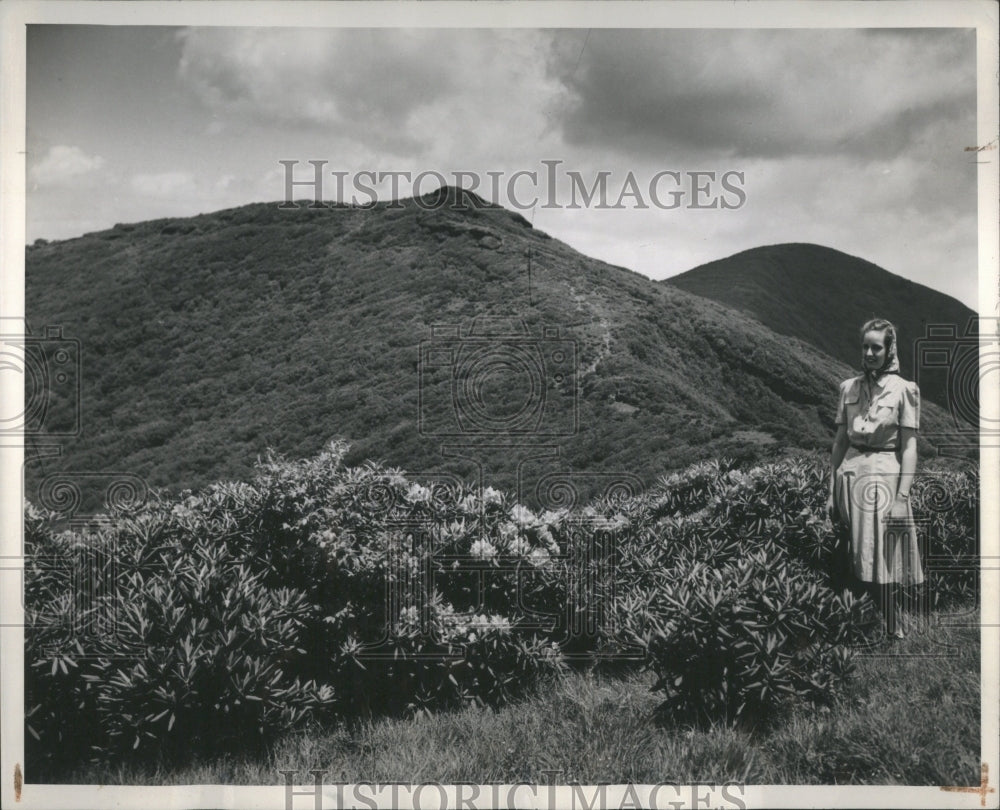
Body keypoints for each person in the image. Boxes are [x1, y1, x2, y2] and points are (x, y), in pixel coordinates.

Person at [828, 318, 923, 638]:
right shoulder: (848, 388)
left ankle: (894, 629)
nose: (869, 352)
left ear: (889, 349)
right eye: (865, 346)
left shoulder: (904, 390)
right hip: (849, 477)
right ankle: (860, 626)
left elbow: (909, 448)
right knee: (854, 555)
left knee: (882, 558)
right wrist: (831, 490)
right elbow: (840, 441)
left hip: (884, 479)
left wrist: (902, 498)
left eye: (876, 347)